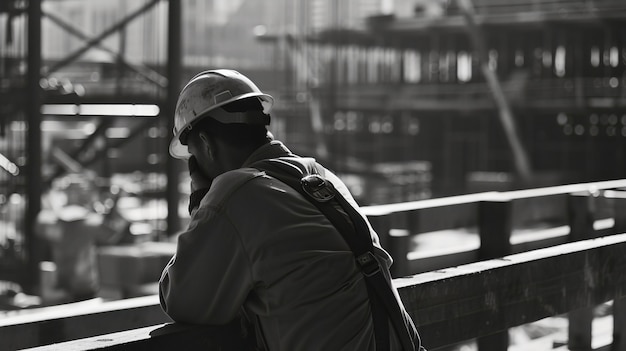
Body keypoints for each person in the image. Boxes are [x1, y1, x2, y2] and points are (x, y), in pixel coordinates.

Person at [159, 69, 423, 350]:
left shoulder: (235, 193)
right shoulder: (320, 177)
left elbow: (182, 298)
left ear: (207, 145)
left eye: (193, 155)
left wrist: (202, 201)